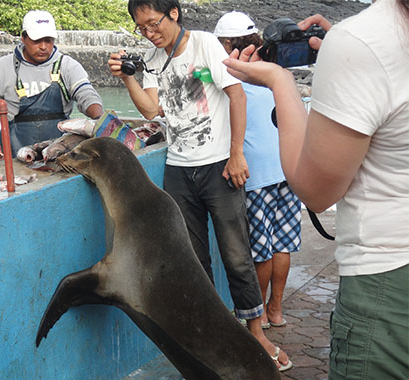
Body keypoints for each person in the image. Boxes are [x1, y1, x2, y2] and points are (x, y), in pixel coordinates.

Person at [222, 0, 409, 378]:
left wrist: (280, 82)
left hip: (388, 281)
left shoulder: (364, 41)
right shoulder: (366, 40)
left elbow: (316, 192)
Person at [108, 0, 292, 371]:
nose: (149, 32)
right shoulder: (151, 57)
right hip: (178, 169)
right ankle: (214, 333)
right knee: (193, 259)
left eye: (153, 23)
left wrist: (236, 154)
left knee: (237, 254)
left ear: (173, 13)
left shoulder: (205, 44)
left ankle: (255, 331)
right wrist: (127, 76)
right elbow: (149, 110)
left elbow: (236, 95)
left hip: (218, 167)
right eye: (142, 27)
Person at [215, 11, 302, 330]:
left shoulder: (229, 76)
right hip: (287, 169)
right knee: (282, 244)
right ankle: (276, 309)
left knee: (261, 250)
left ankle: (260, 314)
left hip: (255, 175)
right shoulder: (273, 71)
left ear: (226, 44)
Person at [0, 10, 104, 160]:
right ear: (23, 38)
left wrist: (100, 121)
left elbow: (86, 94)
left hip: (59, 154)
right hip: (14, 154)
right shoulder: (2, 66)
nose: (43, 46)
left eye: (48, 40)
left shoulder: (67, 65)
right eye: (36, 40)